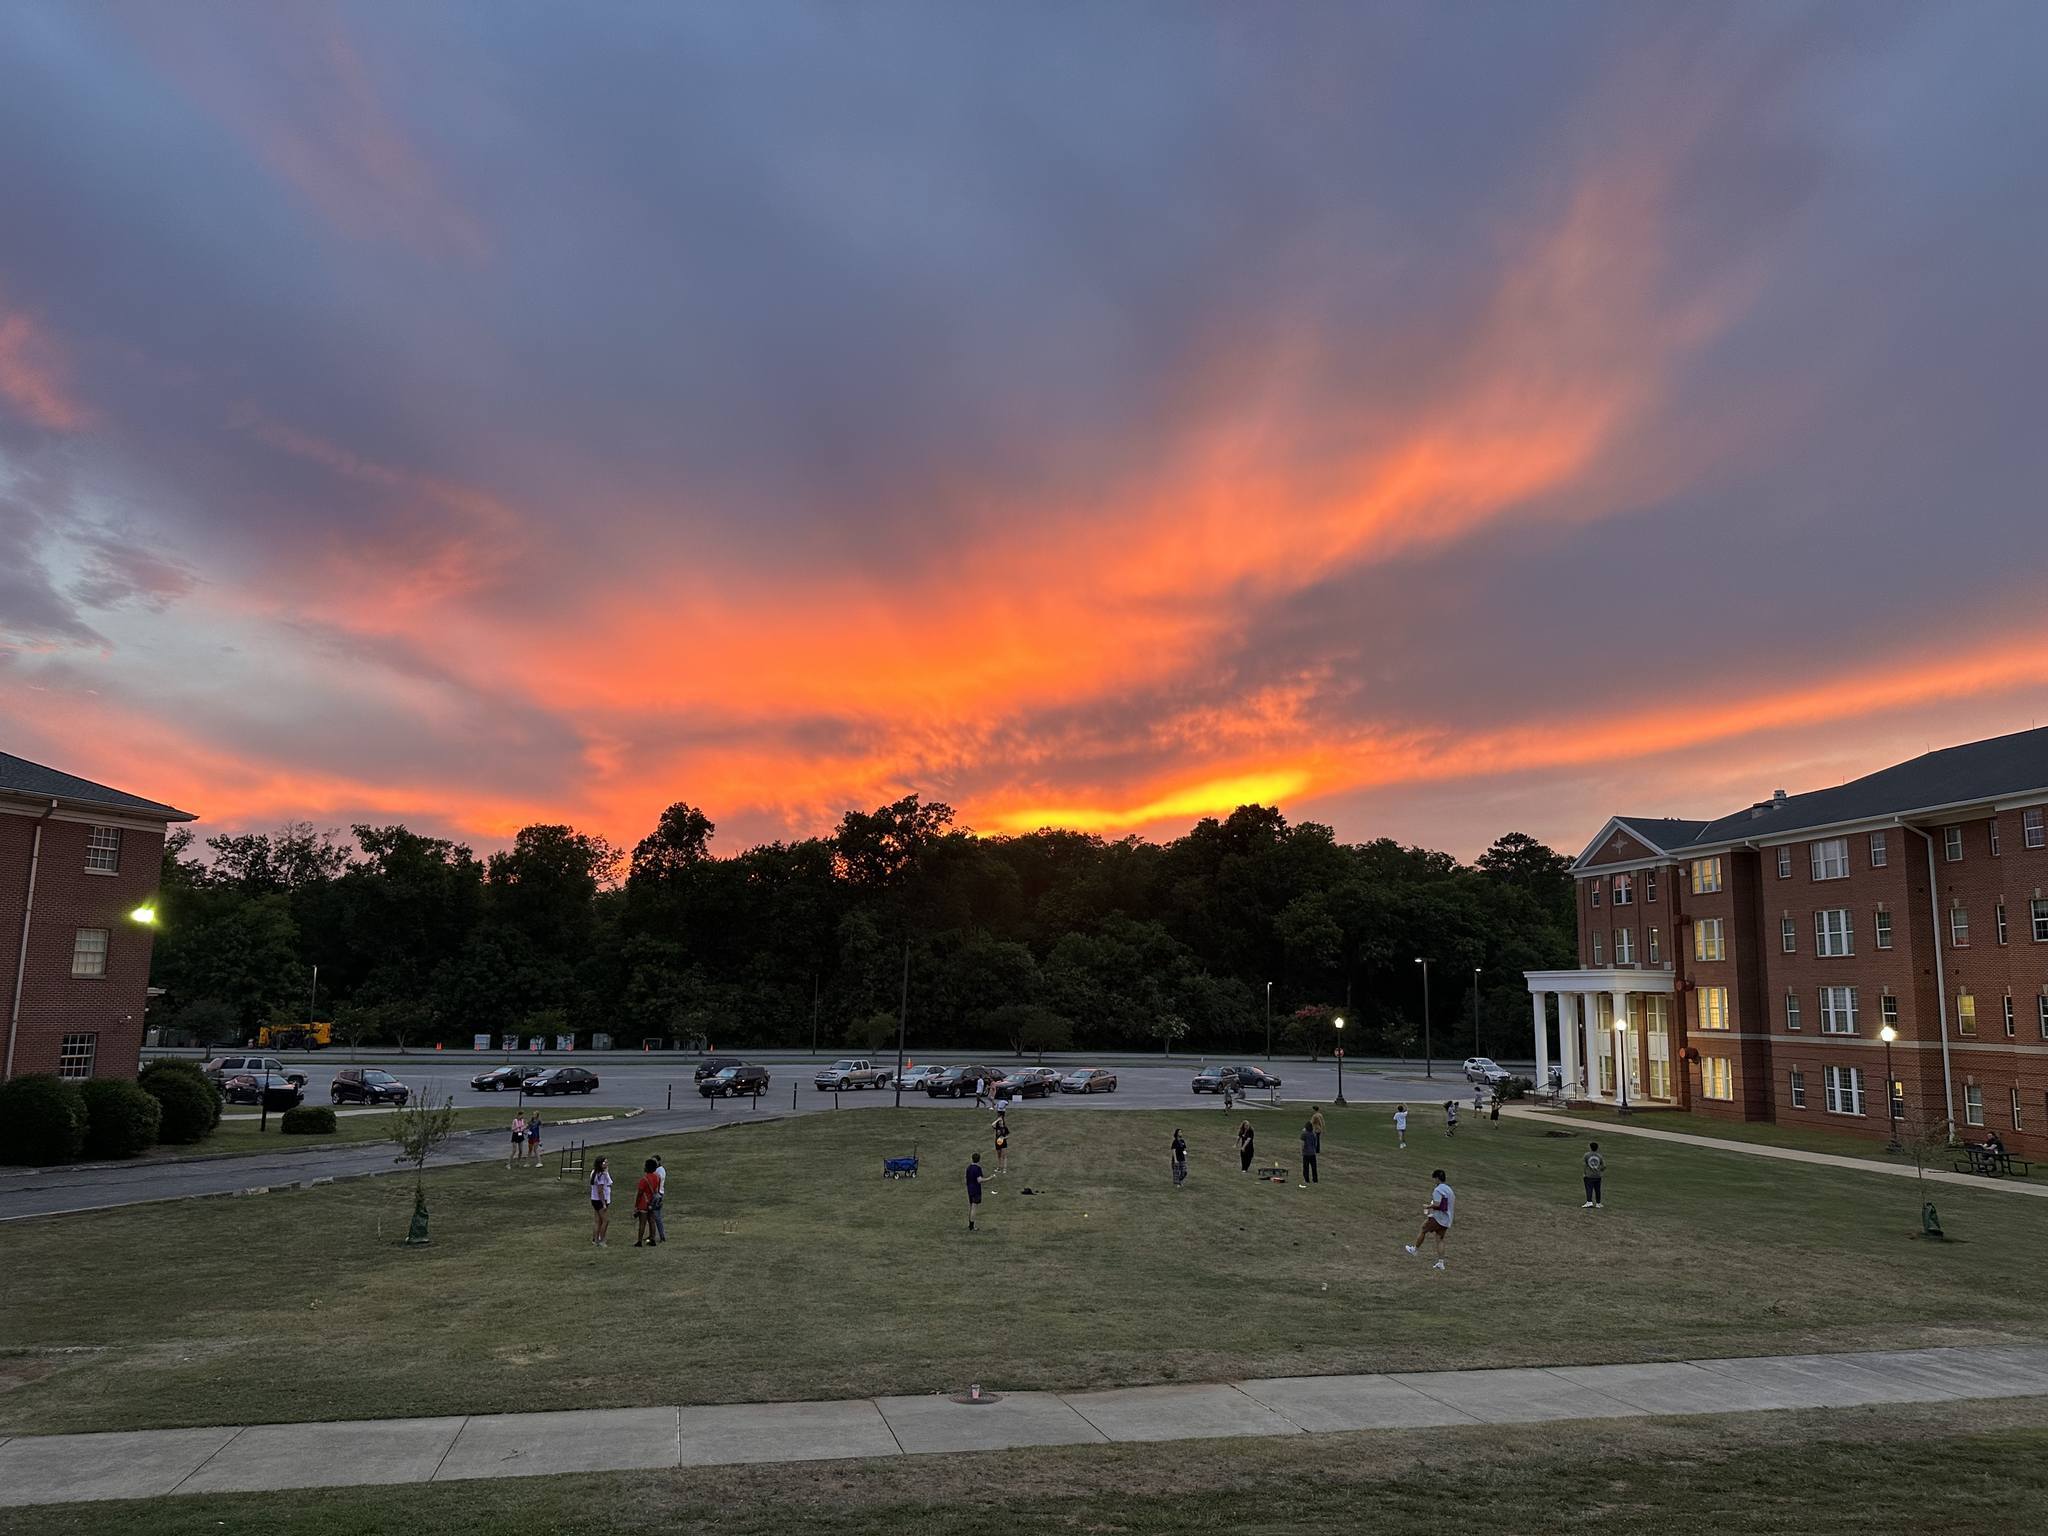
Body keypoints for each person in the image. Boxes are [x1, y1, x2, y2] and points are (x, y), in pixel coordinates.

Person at [1404, 1169, 1454, 1270]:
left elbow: (1437, 1204)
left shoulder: (1438, 1190)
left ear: (1437, 1178)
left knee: (1423, 1229)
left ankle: (1415, 1250)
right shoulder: (1449, 1190)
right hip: (1447, 1219)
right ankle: (1441, 1263)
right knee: (1440, 1239)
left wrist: (1428, 1206)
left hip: (1438, 1218)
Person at [633, 1157, 660, 1247]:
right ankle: (652, 1239)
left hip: (643, 1203)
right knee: (652, 1221)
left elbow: (640, 1193)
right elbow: (657, 1189)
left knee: (642, 1223)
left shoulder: (644, 1180)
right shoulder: (657, 1177)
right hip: (652, 1202)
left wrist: (636, 1205)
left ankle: (639, 1241)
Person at [588, 1155, 613, 1246]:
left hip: (594, 1199)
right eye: (605, 1162)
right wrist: (604, 1204)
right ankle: (602, 1240)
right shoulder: (601, 1175)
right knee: (605, 1221)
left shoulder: (594, 1172)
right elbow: (600, 1191)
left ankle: (595, 1240)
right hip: (600, 1200)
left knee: (597, 1221)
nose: (607, 1164)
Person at [1582, 1141, 1605, 1208]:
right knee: (1597, 1189)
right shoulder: (1599, 1156)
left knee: (1589, 1188)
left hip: (1589, 1175)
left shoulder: (1587, 1155)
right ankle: (1598, 1203)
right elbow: (1604, 1166)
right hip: (1598, 1175)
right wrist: (1599, 1170)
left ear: (1590, 1147)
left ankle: (1589, 1201)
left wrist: (1584, 1173)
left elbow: (1585, 1165)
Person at [650, 1155, 667, 1243]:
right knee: (652, 1217)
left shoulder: (659, 1171)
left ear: (659, 1161)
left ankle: (662, 1236)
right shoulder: (658, 1170)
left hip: (657, 1194)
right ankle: (652, 1235)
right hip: (658, 1193)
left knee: (657, 1216)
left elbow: (657, 1182)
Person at [965, 1151, 984, 1231]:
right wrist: (990, 1178)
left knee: (971, 1206)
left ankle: (970, 1224)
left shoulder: (968, 1168)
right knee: (974, 1207)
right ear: (979, 1160)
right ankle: (972, 1226)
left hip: (969, 1188)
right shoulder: (978, 1169)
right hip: (976, 1189)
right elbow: (979, 1180)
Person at [1300, 1117, 1319, 1185]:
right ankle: (1315, 1180)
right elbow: (1315, 1143)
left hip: (1306, 1153)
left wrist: (1302, 1151)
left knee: (1306, 1167)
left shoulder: (1304, 1134)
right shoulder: (1313, 1134)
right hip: (1312, 1153)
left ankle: (1306, 1179)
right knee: (1314, 1167)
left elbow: (1303, 1144)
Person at [991, 1111, 1010, 1175]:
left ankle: (1004, 1168)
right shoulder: (997, 1127)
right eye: (999, 1121)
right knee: (999, 1156)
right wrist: (997, 1120)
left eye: (1001, 1121)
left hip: (1003, 1143)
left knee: (1004, 1156)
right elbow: (992, 1125)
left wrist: (1004, 1138)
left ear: (1003, 1121)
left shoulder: (1005, 1128)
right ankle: (999, 1168)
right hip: (997, 1143)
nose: (1000, 1122)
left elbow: (1008, 1136)